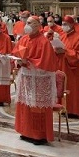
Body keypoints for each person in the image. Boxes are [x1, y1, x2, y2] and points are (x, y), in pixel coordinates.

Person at [13, 16, 58, 144]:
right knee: (25, 105)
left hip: (39, 81)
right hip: (25, 78)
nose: (26, 25)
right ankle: (26, 131)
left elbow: (46, 63)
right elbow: (16, 54)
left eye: (30, 23)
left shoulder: (43, 42)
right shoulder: (23, 39)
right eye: (26, 23)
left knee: (37, 107)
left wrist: (28, 62)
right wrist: (19, 61)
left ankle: (39, 135)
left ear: (38, 25)